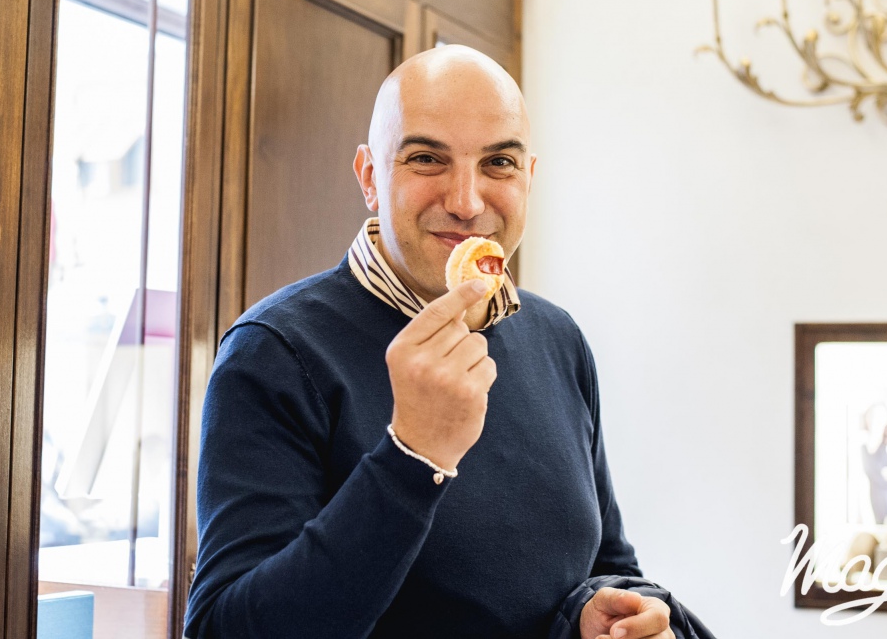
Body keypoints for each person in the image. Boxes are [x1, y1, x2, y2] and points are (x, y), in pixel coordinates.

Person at [184, 45, 717, 639]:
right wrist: (414, 455)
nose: (466, 202)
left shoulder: (558, 338)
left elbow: (607, 563)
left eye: (499, 164)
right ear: (370, 177)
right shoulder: (275, 352)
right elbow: (222, 630)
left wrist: (613, 614)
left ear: (529, 178)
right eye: (426, 159)